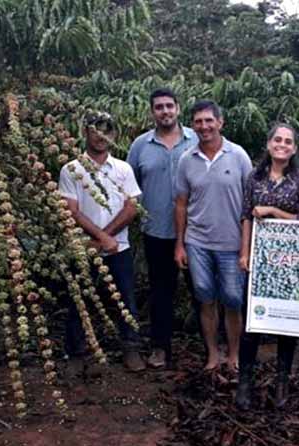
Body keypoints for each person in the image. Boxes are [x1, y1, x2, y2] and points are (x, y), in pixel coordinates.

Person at [236, 122, 299, 410]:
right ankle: (245, 381)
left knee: (287, 323)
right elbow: (246, 216)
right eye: (277, 140)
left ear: (294, 148)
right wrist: (244, 253)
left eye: (288, 141)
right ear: (268, 145)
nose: (282, 145)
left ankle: (282, 380)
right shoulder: (253, 178)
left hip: (291, 262)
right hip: (259, 260)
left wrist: (272, 211)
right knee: (252, 323)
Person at [59, 111, 145, 374]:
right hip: (83, 246)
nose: (100, 136)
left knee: (126, 300)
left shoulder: (122, 169)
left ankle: (131, 349)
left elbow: (132, 207)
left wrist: (106, 237)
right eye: (95, 130)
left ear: (114, 135)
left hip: (118, 248)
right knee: (78, 300)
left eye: (106, 131)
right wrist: (100, 238)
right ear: (85, 132)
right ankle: (75, 353)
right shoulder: (71, 169)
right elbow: (71, 210)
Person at [174, 100, 253, 371]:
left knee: (233, 299)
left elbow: (249, 206)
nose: (204, 126)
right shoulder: (187, 159)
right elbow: (181, 203)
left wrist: (247, 246)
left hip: (231, 244)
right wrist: (180, 245)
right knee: (205, 297)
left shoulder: (239, 155)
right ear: (192, 125)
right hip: (197, 243)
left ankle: (234, 355)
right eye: (198, 121)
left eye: (209, 121)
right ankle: (212, 354)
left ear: (220, 123)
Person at [127, 88, 197, 369]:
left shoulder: (196, 140)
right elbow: (129, 186)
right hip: (156, 231)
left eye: (169, 106)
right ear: (152, 112)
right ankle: (160, 348)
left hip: (196, 231)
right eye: (159, 107)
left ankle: (214, 348)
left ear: (178, 108)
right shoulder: (140, 146)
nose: (165, 111)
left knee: (202, 290)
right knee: (161, 292)